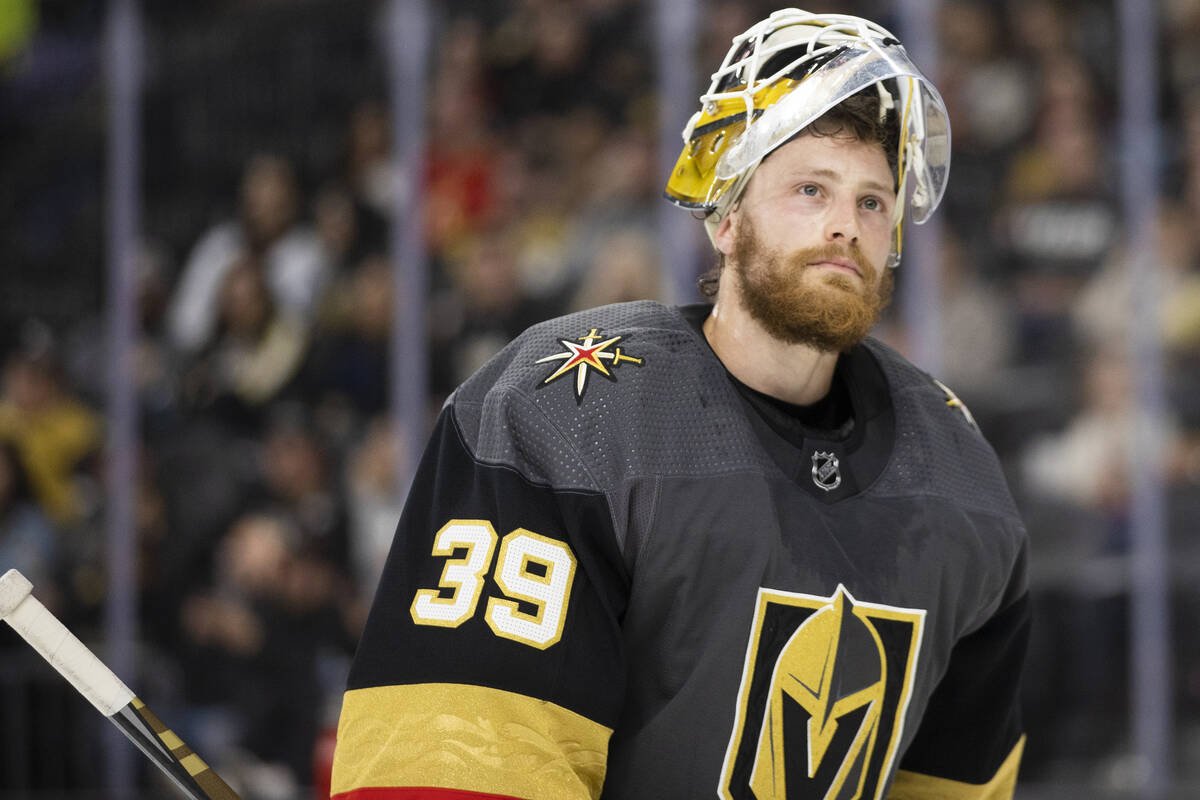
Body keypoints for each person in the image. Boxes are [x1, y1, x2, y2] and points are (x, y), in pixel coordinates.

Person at [330, 10, 1030, 800]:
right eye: (811, 189)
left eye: (874, 202)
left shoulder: (958, 478)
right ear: (726, 217)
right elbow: (455, 770)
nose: (847, 226)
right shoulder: (573, 414)